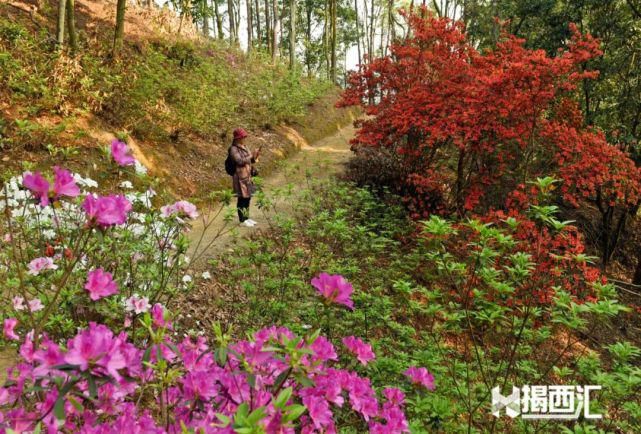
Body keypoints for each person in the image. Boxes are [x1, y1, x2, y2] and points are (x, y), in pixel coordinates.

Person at [229, 128, 261, 227]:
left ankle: (246, 218)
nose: (244, 138)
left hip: (247, 176)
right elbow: (239, 161)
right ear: (238, 138)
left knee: (247, 198)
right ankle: (242, 220)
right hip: (239, 177)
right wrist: (251, 156)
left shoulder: (245, 146)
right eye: (243, 137)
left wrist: (255, 157)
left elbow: (249, 161)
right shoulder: (233, 149)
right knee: (242, 198)